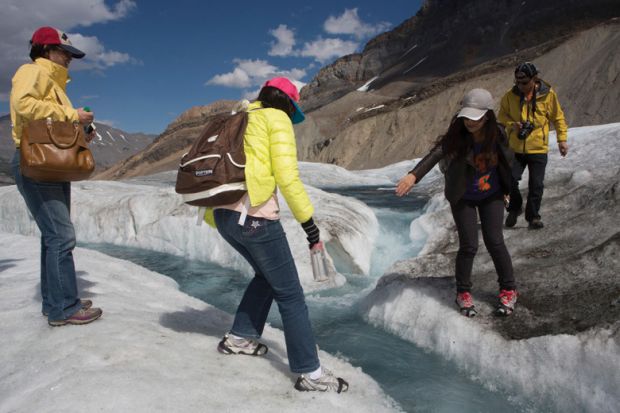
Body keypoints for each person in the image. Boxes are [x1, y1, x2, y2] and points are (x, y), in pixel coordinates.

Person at [203, 77, 348, 393]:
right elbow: (287, 176)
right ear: (288, 102)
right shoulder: (276, 118)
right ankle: (310, 373)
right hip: (254, 220)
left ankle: (240, 337)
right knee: (291, 293)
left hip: (224, 217)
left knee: (266, 277)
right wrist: (309, 225)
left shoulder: (240, 116)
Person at [395, 88, 518, 316]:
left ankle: (509, 289)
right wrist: (414, 175)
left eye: (475, 118)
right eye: (466, 117)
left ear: (487, 115)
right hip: (463, 196)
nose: (470, 122)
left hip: (492, 194)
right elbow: (435, 154)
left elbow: (506, 164)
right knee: (469, 245)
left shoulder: (498, 134)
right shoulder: (457, 135)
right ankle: (463, 292)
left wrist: (507, 190)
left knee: (495, 241)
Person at [10, 27, 102, 326]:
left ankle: (57, 301)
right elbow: (22, 104)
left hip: (47, 163)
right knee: (61, 236)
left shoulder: (54, 84)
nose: (69, 59)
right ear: (46, 50)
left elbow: (50, 123)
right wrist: (72, 115)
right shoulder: (31, 71)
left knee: (53, 237)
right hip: (35, 162)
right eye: (65, 53)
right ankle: (64, 307)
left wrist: (81, 130)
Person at [499, 62, 568, 229]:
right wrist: (512, 125)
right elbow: (501, 116)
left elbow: (557, 117)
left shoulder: (548, 95)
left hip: (538, 148)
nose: (520, 86)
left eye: (524, 82)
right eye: (517, 82)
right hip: (515, 148)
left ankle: (533, 217)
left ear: (534, 79)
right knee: (509, 180)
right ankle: (515, 208)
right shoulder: (510, 96)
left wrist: (562, 139)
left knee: (536, 185)